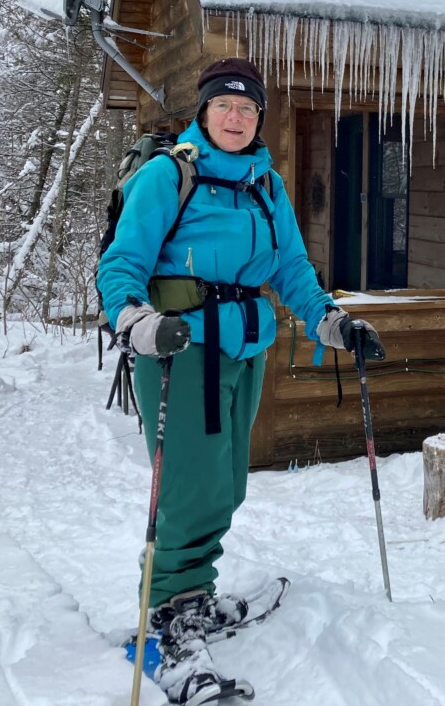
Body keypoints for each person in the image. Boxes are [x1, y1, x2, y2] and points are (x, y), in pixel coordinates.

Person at [97, 57, 376, 704]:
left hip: (246, 348)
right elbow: (123, 261)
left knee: (224, 486)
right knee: (188, 491)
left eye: (247, 109)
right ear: (203, 111)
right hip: (180, 350)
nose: (235, 117)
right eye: (224, 106)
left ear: (258, 120)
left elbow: (291, 267)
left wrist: (330, 323)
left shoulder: (266, 184)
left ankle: (193, 596)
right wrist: (135, 320)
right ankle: (167, 622)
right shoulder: (172, 175)